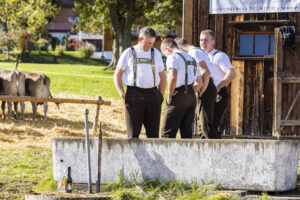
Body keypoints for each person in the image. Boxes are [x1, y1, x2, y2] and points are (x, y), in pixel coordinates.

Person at [114, 27, 166, 138]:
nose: (150, 45)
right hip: (134, 94)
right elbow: (117, 74)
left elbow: (162, 76)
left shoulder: (156, 53)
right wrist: (122, 94)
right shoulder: (129, 52)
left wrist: (160, 95)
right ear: (140, 39)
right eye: (147, 42)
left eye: (152, 42)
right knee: (133, 135)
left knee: (153, 135)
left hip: (153, 95)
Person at [175, 38, 219, 139]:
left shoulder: (194, 52)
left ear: (179, 47)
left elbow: (205, 72)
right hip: (205, 85)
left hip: (205, 87)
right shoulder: (198, 51)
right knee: (202, 125)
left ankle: (214, 151)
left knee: (205, 125)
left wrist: (202, 89)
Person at [160, 38, 202, 138]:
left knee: (167, 133)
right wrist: (189, 92)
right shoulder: (191, 58)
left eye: (164, 54)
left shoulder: (173, 57)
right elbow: (200, 82)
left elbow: (173, 77)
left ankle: (167, 154)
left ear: (167, 49)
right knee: (186, 133)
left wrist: (170, 95)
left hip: (178, 95)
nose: (166, 56)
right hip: (191, 96)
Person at [200, 30, 236, 135]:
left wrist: (218, 87)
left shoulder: (219, 56)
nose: (203, 42)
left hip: (217, 93)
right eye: (201, 40)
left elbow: (231, 73)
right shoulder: (200, 56)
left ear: (213, 42)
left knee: (212, 125)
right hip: (204, 93)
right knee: (204, 125)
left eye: (206, 40)